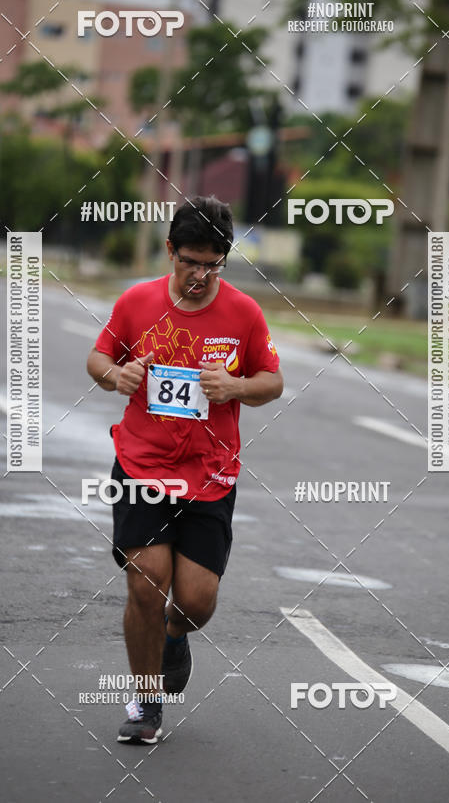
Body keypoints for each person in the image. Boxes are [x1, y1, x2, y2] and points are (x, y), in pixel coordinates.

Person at [86, 195, 283, 744]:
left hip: (210, 474)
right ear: (170, 251)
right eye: (190, 261)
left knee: (195, 600)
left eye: (212, 264)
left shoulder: (243, 313)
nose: (199, 274)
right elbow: (98, 359)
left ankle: (177, 634)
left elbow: (273, 381)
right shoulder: (136, 302)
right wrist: (116, 376)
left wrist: (236, 386)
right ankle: (146, 705)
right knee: (146, 584)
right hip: (142, 465)